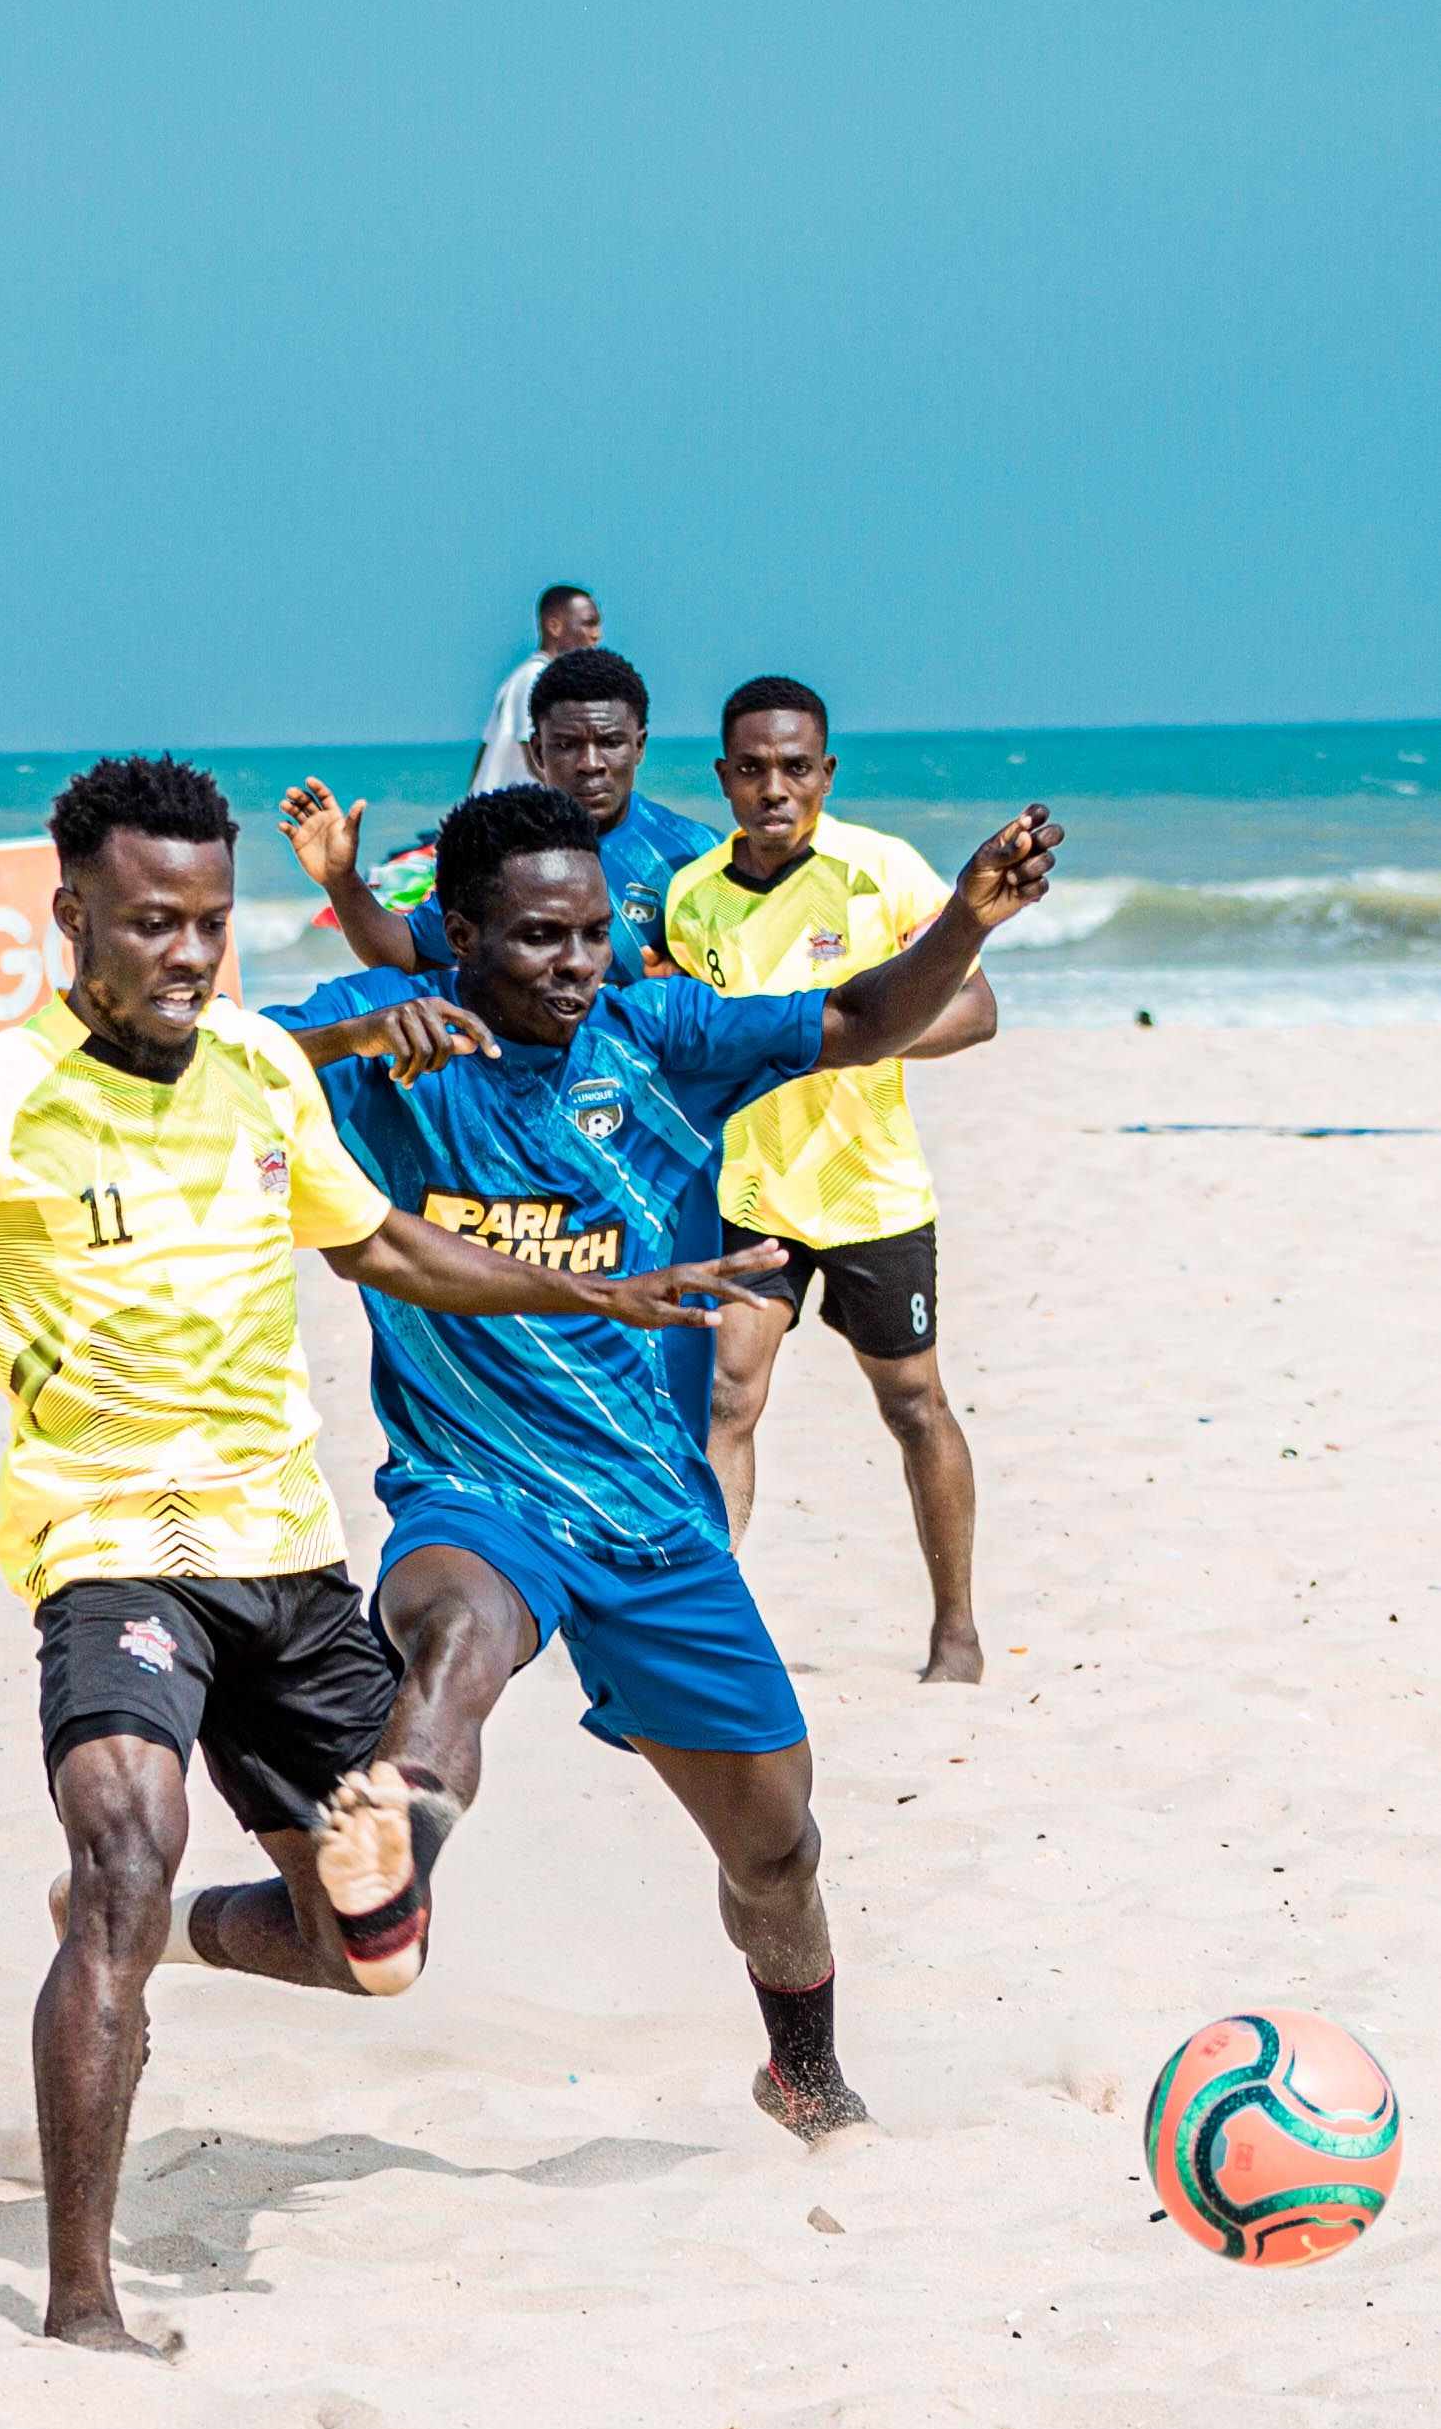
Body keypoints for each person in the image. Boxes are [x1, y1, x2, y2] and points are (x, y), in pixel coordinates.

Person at [0, 755, 772, 2360]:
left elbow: (373, 1239)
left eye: (211, 923)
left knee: (372, 1952)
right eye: (151, 921)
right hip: (110, 1551)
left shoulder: (253, 1067)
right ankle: (80, 2296)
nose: (185, 953)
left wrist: (589, 1296)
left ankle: (181, 1927)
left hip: (287, 1566)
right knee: (122, 1846)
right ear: (70, 916)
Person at [154, 783, 1056, 2145]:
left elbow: (866, 1017)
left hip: (652, 1519)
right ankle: (387, 1837)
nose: (573, 964)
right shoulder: (378, 1057)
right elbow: (183, 1057)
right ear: (454, 933)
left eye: (587, 935)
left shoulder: (656, 1035)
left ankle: (801, 2074)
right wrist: (345, 1025)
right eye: (534, 939)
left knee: (775, 1846)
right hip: (474, 1491)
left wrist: (964, 918)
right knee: (454, 1632)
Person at [661, 678, 1001, 1685]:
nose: (775, 787)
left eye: (795, 767)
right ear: (725, 777)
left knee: (912, 1404)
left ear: (825, 774)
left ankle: (956, 1629)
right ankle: (708, 1631)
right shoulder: (693, 899)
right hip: (750, 1188)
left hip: (870, 1191)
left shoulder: (882, 873)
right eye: (753, 769)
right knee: (725, 1397)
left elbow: (975, 1010)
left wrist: (838, 1047)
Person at [290, 646, 717, 989]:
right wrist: (341, 881)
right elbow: (408, 952)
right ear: (536, 753)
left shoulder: (698, 855)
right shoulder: (499, 853)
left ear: (639, 747)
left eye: (610, 742)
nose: (591, 763)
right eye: (567, 745)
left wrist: (690, 988)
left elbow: (752, 988)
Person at [469, 583, 602, 792]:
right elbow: (536, 760)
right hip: (510, 817)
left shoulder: (527, 677)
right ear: (554, 627)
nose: (596, 635)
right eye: (588, 624)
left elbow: (484, 754)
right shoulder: (535, 678)